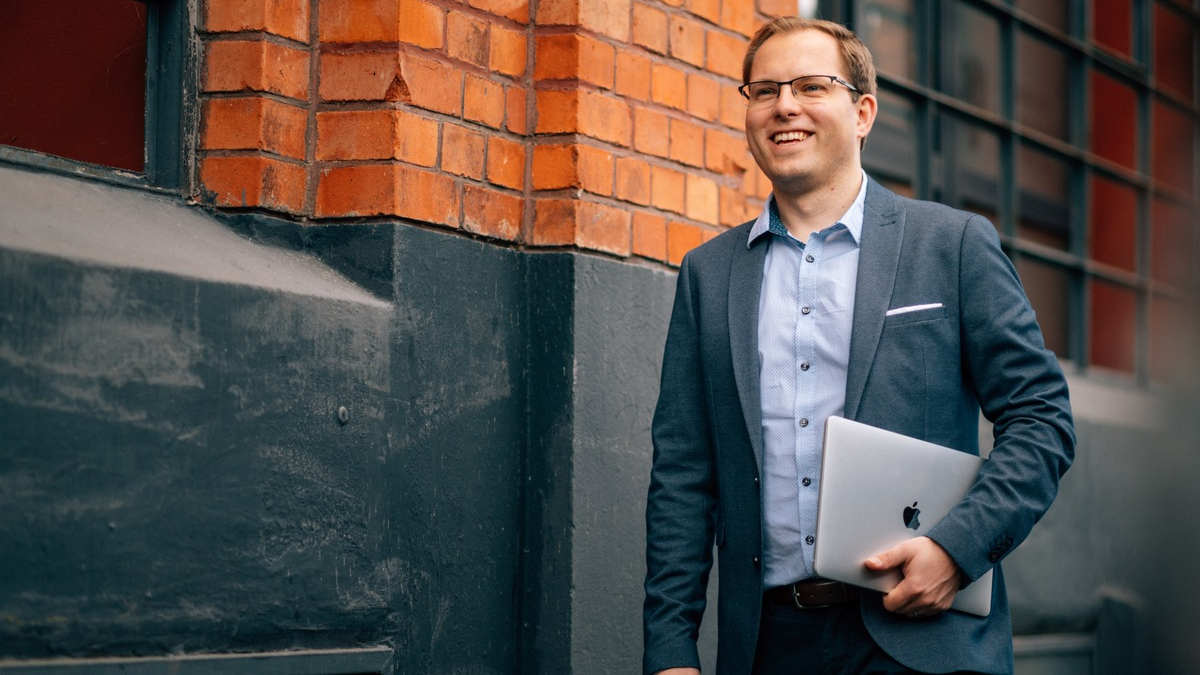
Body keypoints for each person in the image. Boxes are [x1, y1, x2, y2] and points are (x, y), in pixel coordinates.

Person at [642, 16, 1075, 675]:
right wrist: (671, 651)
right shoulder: (709, 274)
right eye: (764, 91)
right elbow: (682, 474)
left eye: (811, 86)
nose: (784, 106)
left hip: (923, 637)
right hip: (769, 645)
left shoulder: (952, 245)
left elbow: (1042, 417)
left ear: (864, 112)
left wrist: (956, 550)